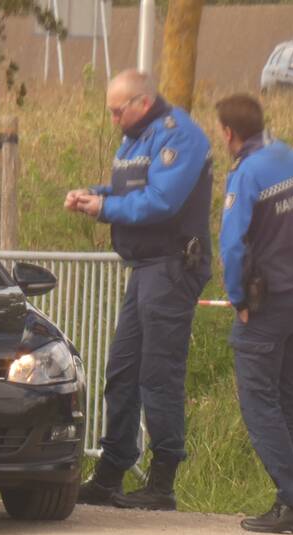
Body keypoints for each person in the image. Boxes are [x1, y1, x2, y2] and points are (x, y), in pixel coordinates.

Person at [64, 70, 213, 510]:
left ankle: (162, 481)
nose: (112, 119)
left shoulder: (178, 136)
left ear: (142, 103)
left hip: (171, 265)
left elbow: (162, 201)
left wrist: (105, 208)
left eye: (117, 110)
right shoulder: (135, 137)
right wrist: (95, 193)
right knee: (122, 369)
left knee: (157, 373)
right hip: (145, 266)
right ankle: (112, 471)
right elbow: (133, 188)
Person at [216, 94, 293, 533]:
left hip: (265, 305)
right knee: (288, 397)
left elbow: (231, 245)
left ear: (228, 133)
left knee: (259, 400)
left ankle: (292, 500)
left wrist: (239, 299)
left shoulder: (246, 174)